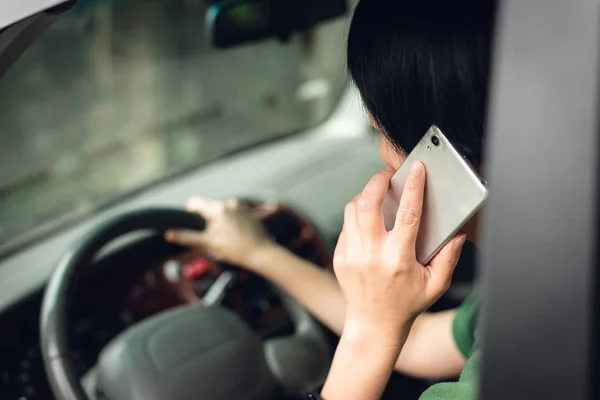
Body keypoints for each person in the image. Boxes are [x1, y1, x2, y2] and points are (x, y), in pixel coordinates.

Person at [165, 0, 496, 398]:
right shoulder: (542, 284)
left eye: (379, 132)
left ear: (449, 157)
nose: (386, 161)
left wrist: (370, 332)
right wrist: (260, 253)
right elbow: (421, 343)